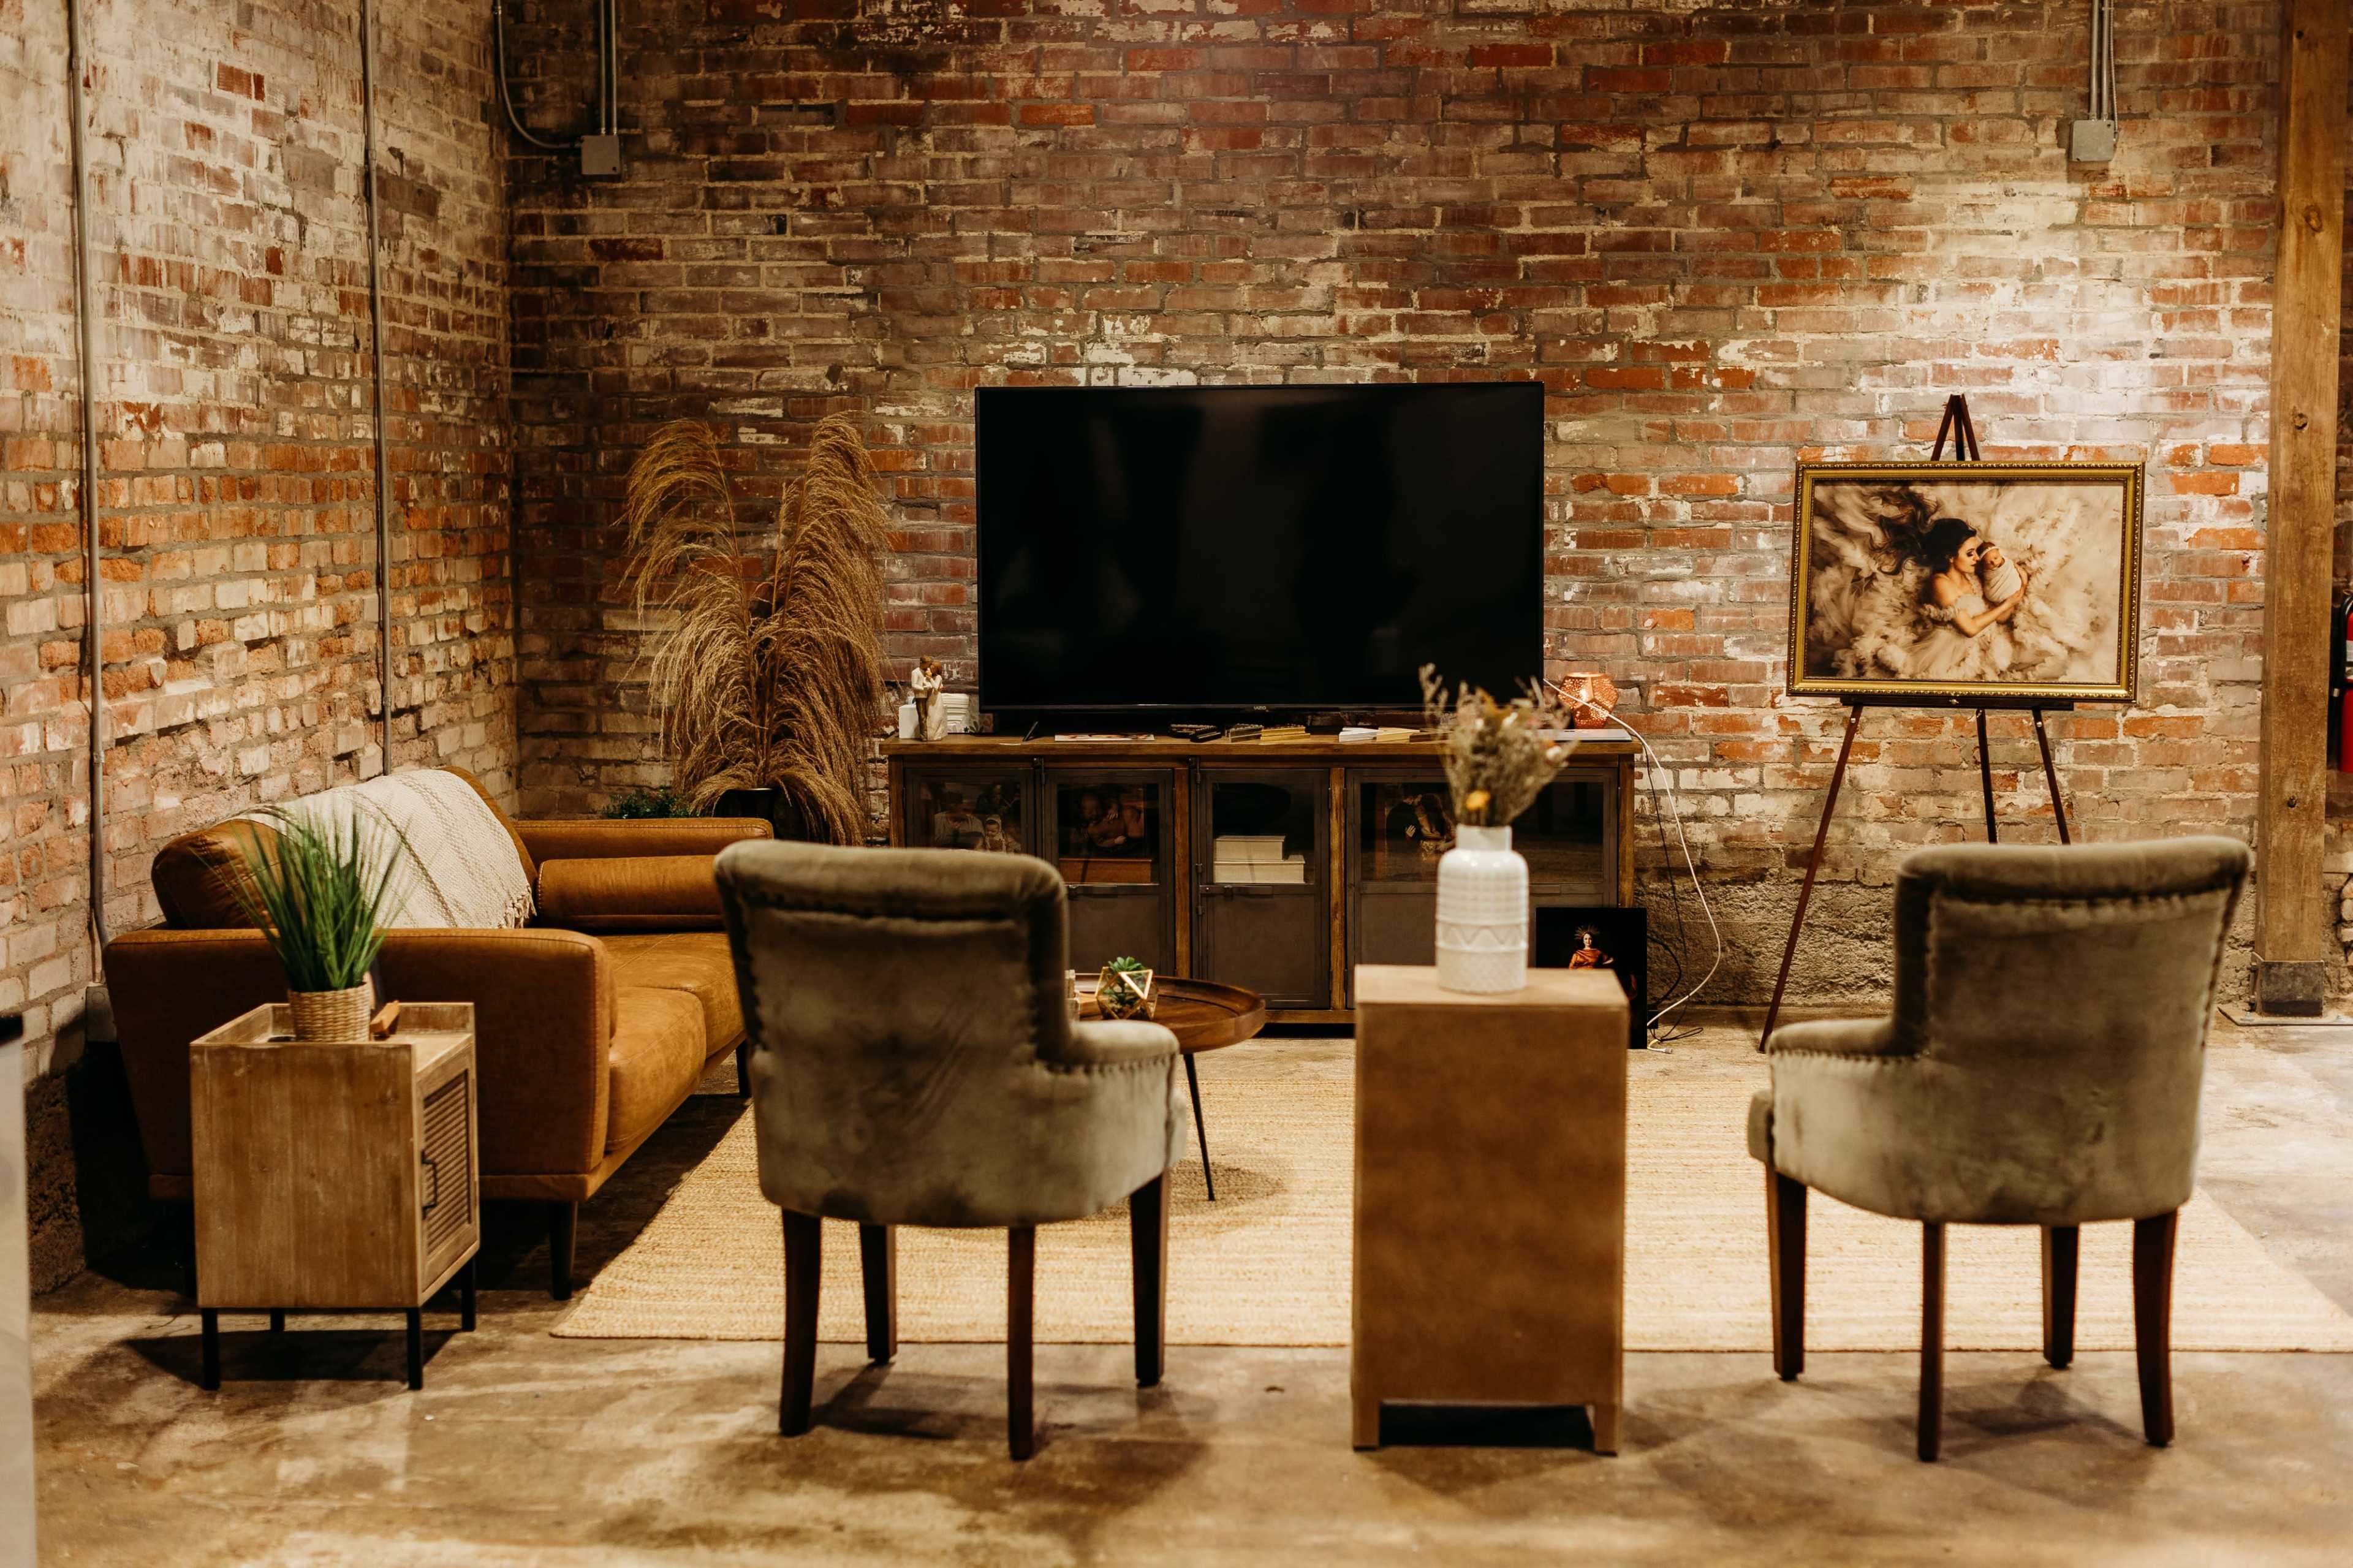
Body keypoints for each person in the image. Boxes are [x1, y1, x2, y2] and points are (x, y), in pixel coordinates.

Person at [1913, 517, 2029, 679]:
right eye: (1970, 554)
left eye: (1975, 552)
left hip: (1981, 646)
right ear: (1950, 557)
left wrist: (2022, 586)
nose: (1977, 558)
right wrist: (2008, 604)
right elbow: (1970, 629)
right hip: (1950, 654)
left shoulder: (1971, 576)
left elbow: (2000, 617)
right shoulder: (1940, 583)